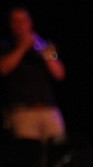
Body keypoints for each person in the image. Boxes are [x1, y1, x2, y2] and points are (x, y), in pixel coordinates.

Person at [0, 5, 66, 141]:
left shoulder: (44, 46)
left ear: (30, 23)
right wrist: (22, 47)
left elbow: (59, 74)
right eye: (16, 21)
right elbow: (3, 69)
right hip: (22, 112)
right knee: (30, 151)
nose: (20, 25)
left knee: (58, 148)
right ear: (10, 24)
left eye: (24, 20)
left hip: (49, 110)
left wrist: (44, 51)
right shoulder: (6, 46)